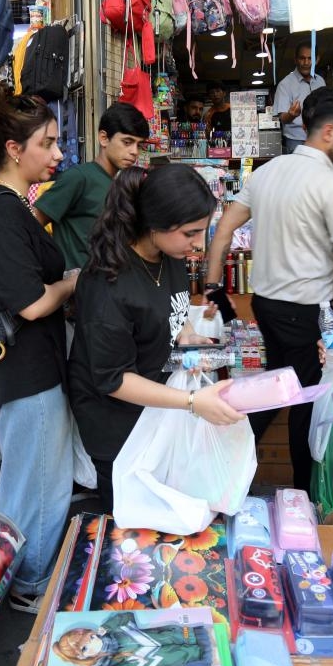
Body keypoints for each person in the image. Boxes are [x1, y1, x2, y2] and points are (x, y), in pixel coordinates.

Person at [204, 92, 333, 493]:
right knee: (302, 400)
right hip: (306, 311)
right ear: (328, 133)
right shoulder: (332, 186)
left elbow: (223, 229)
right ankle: (299, 493)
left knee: (279, 384)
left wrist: (211, 284)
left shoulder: (269, 170)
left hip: (267, 306)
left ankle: (225, 462)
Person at [0, 82, 77, 614]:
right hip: (25, 371)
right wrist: (72, 282)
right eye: (47, 143)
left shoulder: (4, 205)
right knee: (36, 484)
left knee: (36, 479)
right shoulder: (5, 210)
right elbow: (30, 304)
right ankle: (24, 585)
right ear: (14, 149)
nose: (57, 154)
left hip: (29, 369)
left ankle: (15, 581)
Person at [70, 165, 244, 509]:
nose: (198, 245)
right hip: (117, 427)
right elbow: (113, 380)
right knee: (132, 531)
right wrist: (193, 403)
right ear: (155, 223)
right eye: (191, 233)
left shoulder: (170, 257)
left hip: (158, 413)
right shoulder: (108, 285)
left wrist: (190, 339)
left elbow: (173, 317)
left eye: (203, 232)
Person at [33, 102, 149, 269]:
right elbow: (34, 222)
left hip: (108, 283)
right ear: (103, 138)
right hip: (76, 287)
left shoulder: (120, 186)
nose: (134, 152)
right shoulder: (79, 177)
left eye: (139, 145)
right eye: (127, 142)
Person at [51, 611, 216, 666]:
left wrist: (106, 628)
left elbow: (127, 616)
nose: (94, 643)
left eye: (91, 637)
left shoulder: (111, 631)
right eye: (85, 647)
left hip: (187, 635)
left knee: (222, 636)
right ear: (81, 656)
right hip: (187, 660)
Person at [273, 41, 326, 153]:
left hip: (319, 138)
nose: (306, 62)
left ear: (317, 59)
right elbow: (283, 118)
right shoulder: (285, 84)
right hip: (295, 141)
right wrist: (291, 115)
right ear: (295, 59)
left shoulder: (320, 81)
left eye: (310, 58)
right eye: (302, 58)